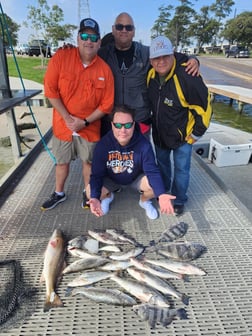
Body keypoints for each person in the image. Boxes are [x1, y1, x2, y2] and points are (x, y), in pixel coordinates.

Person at [41, 18, 114, 210]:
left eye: (93, 37)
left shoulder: (105, 70)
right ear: (78, 38)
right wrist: (67, 118)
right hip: (62, 126)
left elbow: (107, 104)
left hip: (89, 128)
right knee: (61, 162)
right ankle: (59, 193)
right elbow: (50, 91)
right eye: (84, 36)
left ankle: (88, 193)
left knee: (88, 163)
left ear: (99, 42)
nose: (88, 41)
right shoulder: (61, 57)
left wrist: (85, 122)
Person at [98, 12, 200, 137]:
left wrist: (193, 59)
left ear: (134, 31)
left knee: (142, 156)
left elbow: (170, 57)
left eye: (128, 27)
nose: (124, 30)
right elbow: (83, 57)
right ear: (113, 30)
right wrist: (68, 49)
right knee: (112, 156)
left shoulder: (146, 52)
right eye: (120, 27)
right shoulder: (102, 54)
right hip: (112, 122)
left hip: (140, 120)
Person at [147, 36, 212, 216]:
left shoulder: (188, 77)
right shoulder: (150, 74)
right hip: (160, 134)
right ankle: (164, 192)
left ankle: (180, 199)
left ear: (173, 54)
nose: (161, 62)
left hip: (183, 136)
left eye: (165, 56)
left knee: (182, 169)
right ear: (151, 60)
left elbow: (205, 108)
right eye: (156, 58)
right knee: (162, 165)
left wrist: (196, 135)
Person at [85, 105, 176, 219]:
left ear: (134, 125)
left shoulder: (143, 144)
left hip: (135, 178)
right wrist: (94, 197)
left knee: (155, 185)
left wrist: (161, 195)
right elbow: (96, 175)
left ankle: (144, 201)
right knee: (90, 192)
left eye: (128, 125)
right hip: (112, 179)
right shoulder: (102, 145)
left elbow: (152, 171)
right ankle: (108, 197)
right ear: (112, 125)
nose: (123, 130)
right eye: (118, 125)